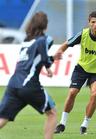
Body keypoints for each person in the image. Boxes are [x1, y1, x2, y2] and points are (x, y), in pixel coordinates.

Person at [54, 11, 96, 134]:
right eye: (93, 22)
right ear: (89, 23)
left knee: (94, 94)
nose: (95, 25)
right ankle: (62, 124)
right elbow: (67, 43)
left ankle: (84, 125)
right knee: (72, 92)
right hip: (82, 69)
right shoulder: (83, 34)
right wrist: (60, 51)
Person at [0, 11, 59, 139]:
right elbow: (43, 58)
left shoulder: (26, 41)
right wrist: (49, 68)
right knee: (52, 113)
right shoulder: (43, 40)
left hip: (13, 84)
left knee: (3, 118)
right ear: (45, 25)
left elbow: (36, 58)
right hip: (29, 85)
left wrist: (52, 58)